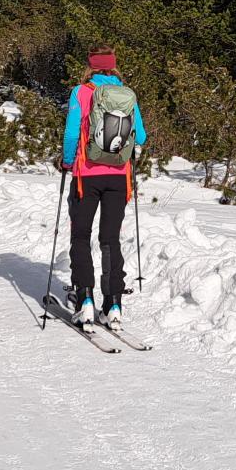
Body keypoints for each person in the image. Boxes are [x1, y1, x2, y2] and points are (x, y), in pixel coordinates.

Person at [60, 45, 147, 327]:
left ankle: (85, 298)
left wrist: (66, 161)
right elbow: (141, 136)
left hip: (87, 176)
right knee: (110, 239)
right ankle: (113, 303)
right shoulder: (127, 94)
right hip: (119, 176)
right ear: (113, 66)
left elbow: (73, 132)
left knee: (81, 236)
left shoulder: (81, 92)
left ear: (91, 65)